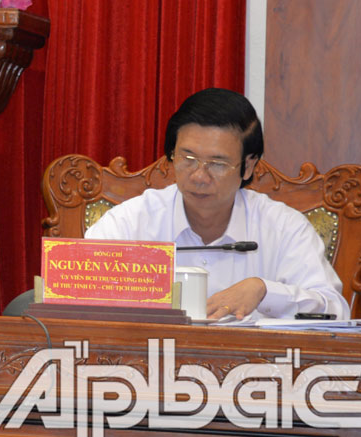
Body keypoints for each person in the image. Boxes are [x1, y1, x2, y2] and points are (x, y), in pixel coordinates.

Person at [86, 88, 347, 320]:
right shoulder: (130, 222)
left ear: (248, 166)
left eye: (218, 164)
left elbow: (335, 311)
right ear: (171, 157)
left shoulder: (283, 228)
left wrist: (264, 292)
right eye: (187, 158)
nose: (199, 176)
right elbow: (79, 297)